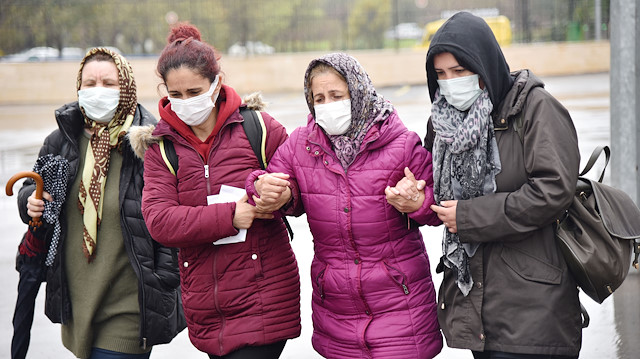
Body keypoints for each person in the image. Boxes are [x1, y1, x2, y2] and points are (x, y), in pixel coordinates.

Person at [245, 52, 443, 358]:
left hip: (401, 306)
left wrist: (418, 202)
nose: (327, 105)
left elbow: (438, 207)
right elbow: (268, 182)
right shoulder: (301, 144)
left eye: (336, 95)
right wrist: (264, 188)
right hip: (336, 310)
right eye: (319, 98)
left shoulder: (401, 143)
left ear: (358, 92)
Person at [422, 12, 582, 359]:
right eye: (441, 75)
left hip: (534, 307)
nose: (450, 83)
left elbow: (553, 190)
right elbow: (433, 185)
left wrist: (470, 217)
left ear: (485, 64)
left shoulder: (535, 108)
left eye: (460, 71)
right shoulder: (443, 122)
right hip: (478, 307)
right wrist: (414, 193)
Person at [136, 23, 300, 359]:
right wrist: (231, 216)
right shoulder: (161, 147)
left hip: (264, 295)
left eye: (194, 92)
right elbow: (160, 221)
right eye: (175, 95)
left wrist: (284, 196)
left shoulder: (259, 127)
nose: (185, 102)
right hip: (206, 302)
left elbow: (302, 185)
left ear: (216, 84)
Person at [16, 48, 185, 359]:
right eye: (89, 83)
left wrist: (163, 280)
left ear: (127, 87)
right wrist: (31, 201)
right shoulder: (62, 139)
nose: (98, 91)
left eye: (109, 83)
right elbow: (33, 187)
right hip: (78, 300)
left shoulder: (149, 143)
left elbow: (174, 216)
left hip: (129, 305)